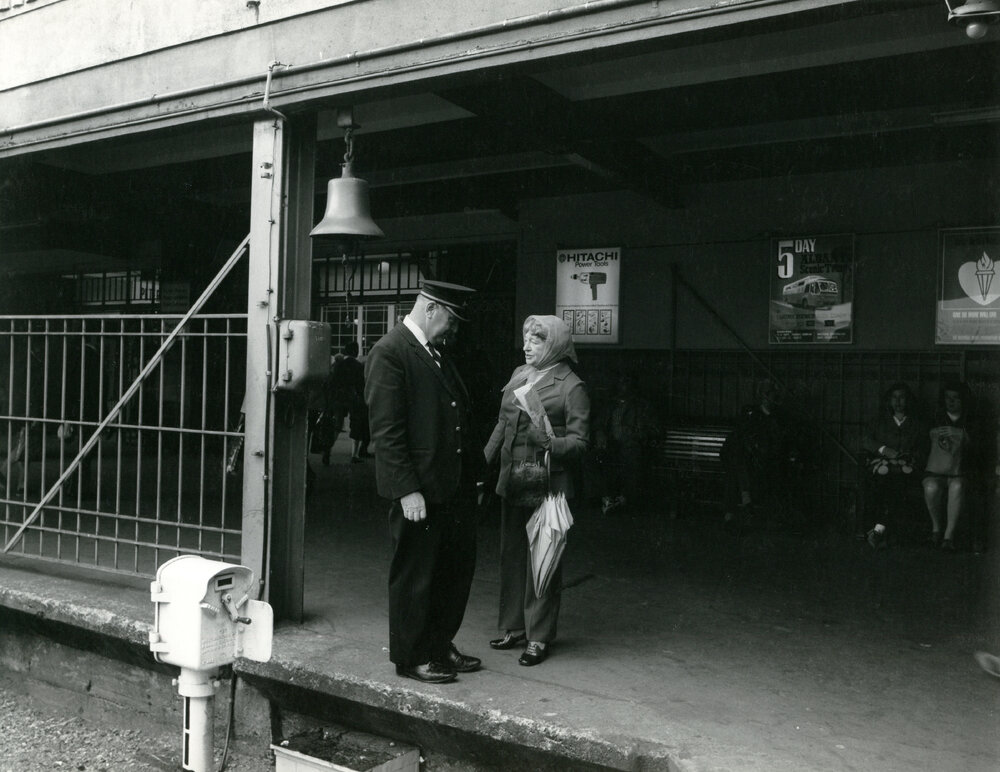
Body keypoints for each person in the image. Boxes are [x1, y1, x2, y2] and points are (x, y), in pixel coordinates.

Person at [364, 280, 482, 684]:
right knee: (416, 573)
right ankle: (412, 655)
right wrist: (406, 489)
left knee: (452, 570)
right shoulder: (390, 351)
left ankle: (438, 643)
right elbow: (387, 430)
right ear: (431, 308)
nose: (452, 328)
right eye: (450, 318)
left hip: (450, 486)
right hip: (421, 489)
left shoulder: (435, 352)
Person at [483, 315, 590, 667]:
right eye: (526, 337)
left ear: (554, 345)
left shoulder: (571, 386)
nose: (526, 345)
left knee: (543, 561)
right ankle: (514, 627)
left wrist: (552, 443)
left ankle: (539, 636)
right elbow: (503, 421)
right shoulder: (519, 374)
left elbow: (580, 443)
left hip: (549, 485)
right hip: (513, 478)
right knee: (512, 556)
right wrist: (482, 459)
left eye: (536, 339)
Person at [721, 378, 801, 528]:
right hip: (749, 459)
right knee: (737, 461)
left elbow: (780, 442)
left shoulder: (778, 418)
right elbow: (740, 433)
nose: (768, 399)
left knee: (736, 466)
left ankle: (732, 512)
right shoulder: (751, 413)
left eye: (771, 395)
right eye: (766, 394)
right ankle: (743, 504)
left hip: (765, 461)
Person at [859, 382, 928, 549]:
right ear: (889, 401)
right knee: (887, 485)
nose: (898, 401)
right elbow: (866, 440)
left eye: (902, 397)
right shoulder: (879, 421)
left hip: (907, 470)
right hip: (883, 468)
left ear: (909, 400)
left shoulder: (917, 425)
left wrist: (908, 458)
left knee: (896, 485)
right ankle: (882, 533)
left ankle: (878, 530)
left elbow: (924, 449)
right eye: (894, 397)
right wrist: (885, 450)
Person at [923, 380, 977, 551]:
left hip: (961, 472)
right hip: (936, 470)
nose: (951, 401)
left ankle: (949, 536)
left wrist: (962, 434)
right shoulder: (934, 417)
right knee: (931, 487)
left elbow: (981, 450)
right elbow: (922, 445)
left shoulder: (972, 419)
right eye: (947, 398)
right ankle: (936, 529)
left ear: (963, 400)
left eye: (956, 398)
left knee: (957, 486)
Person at [595, 372, 657, 515]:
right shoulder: (610, 405)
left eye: (627, 382)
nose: (624, 386)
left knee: (631, 457)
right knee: (594, 458)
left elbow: (654, 429)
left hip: (633, 446)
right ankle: (608, 498)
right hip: (612, 445)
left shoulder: (642, 406)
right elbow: (599, 424)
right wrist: (600, 435)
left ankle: (623, 500)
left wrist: (634, 435)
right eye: (621, 382)